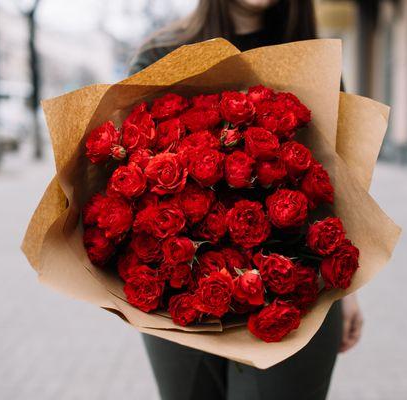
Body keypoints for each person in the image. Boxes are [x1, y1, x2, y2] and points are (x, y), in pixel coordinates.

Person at [128, 1, 363, 399]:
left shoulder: (314, 60)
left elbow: (339, 187)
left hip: (296, 296)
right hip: (179, 301)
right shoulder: (162, 54)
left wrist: (349, 290)